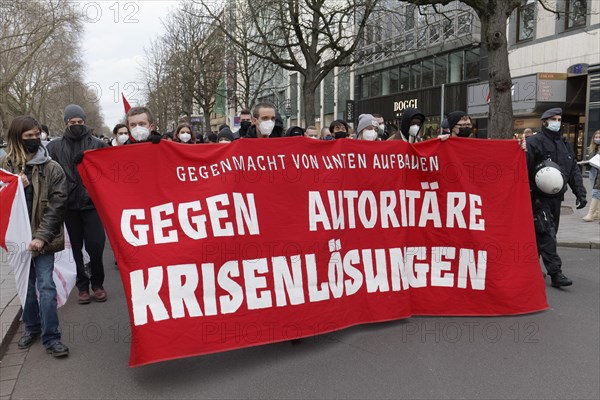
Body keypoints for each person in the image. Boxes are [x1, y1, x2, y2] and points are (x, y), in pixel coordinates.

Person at [0, 116, 69, 357]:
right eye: (27, 136)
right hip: (17, 241)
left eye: (36, 134)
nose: (33, 139)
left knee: (46, 286)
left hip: (44, 240)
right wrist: (15, 189)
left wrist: (41, 238)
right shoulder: (6, 168)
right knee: (26, 288)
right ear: (16, 137)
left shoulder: (53, 169)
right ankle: (31, 328)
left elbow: (57, 208)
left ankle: (52, 337)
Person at [46, 104, 108, 304]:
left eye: (80, 122)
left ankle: (97, 284)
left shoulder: (98, 144)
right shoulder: (53, 147)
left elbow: (112, 168)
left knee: (96, 246)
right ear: (65, 123)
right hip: (68, 207)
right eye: (72, 123)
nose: (76, 125)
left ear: (85, 122)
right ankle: (83, 287)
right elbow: (46, 173)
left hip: (93, 205)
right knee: (75, 248)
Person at [526, 107, 587, 287]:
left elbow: (573, 170)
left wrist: (580, 193)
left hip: (556, 199)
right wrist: (530, 193)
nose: (556, 122)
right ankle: (556, 273)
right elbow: (524, 169)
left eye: (559, 119)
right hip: (538, 198)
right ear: (544, 122)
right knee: (547, 234)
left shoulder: (564, 144)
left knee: (544, 235)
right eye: (553, 119)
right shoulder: (534, 142)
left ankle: (530, 268)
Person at [582, 130, 600, 221]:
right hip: (593, 171)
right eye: (596, 137)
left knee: (596, 193)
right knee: (596, 192)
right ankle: (597, 213)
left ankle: (590, 214)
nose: (597, 139)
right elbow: (591, 160)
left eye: (599, 137)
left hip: (599, 173)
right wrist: (585, 163)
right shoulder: (592, 148)